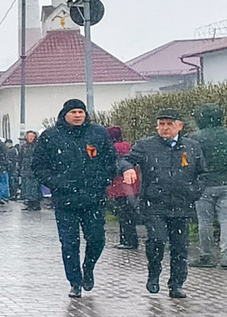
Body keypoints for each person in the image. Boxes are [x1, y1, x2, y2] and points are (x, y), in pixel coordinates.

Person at [33, 98, 118, 296]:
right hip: (65, 200)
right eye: (74, 112)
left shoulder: (97, 133)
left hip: (93, 198)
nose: (78, 115)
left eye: (81, 112)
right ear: (65, 115)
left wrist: (102, 180)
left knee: (96, 239)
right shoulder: (51, 136)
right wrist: (56, 183)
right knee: (69, 243)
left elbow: (110, 159)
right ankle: (75, 282)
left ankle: (88, 267)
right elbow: (39, 166)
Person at [126, 109, 205, 298]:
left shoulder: (192, 147)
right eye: (161, 124)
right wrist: (128, 168)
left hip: (181, 204)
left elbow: (203, 173)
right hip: (154, 204)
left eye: (169, 124)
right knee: (157, 240)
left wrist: (194, 191)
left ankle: (177, 284)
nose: (165, 128)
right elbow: (127, 160)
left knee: (180, 247)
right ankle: (154, 274)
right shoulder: (146, 145)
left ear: (179, 126)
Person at [191, 103, 227, 268]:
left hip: (204, 186)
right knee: (226, 220)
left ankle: (206, 256)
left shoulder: (195, 138)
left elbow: (190, 163)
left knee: (205, 221)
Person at [106, 124, 141, 251]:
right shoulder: (127, 145)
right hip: (131, 183)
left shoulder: (112, 148)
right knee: (128, 212)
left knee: (124, 213)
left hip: (119, 185)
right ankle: (130, 239)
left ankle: (128, 240)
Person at [20, 130, 44, 211]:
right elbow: (20, 158)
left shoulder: (38, 146)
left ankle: (36, 203)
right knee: (27, 187)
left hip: (35, 170)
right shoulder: (24, 147)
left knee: (35, 187)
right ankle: (30, 203)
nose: (30, 138)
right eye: (29, 136)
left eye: (32, 136)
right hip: (26, 170)